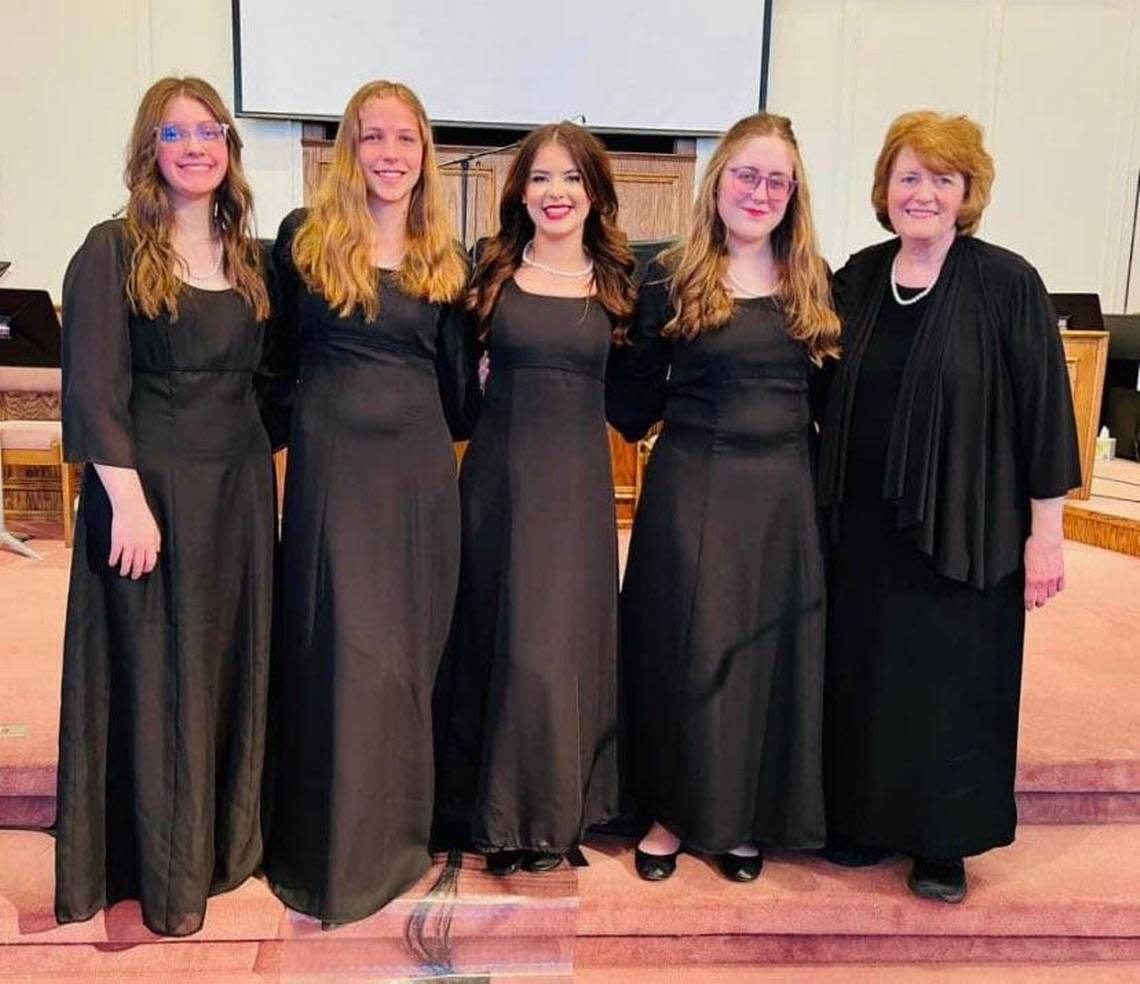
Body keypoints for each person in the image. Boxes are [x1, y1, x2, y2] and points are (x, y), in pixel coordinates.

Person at [817, 111, 1081, 903]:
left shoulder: (1007, 282)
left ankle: (942, 841)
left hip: (968, 530)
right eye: (908, 176)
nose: (922, 193)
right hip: (862, 529)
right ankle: (861, 818)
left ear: (968, 192)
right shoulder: (857, 279)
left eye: (941, 178)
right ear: (884, 189)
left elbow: (1046, 416)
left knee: (953, 685)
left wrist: (1047, 536)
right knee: (863, 674)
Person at [55, 77, 275, 936]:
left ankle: (221, 848)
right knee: (158, 676)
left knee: (226, 667)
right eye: (175, 133)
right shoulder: (110, 248)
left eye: (208, 130)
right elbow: (95, 389)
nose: (194, 146)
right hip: (150, 491)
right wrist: (127, 502)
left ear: (228, 145)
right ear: (150, 148)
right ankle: (160, 871)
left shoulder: (247, 257)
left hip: (239, 494)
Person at [607, 113, 838, 883]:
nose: (760, 191)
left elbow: (835, 402)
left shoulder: (814, 280)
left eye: (777, 179)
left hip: (782, 495)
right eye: (747, 173)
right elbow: (632, 403)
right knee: (685, 649)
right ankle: (671, 813)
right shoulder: (668, 276)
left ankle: (740, 816)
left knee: (761, 654)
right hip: (692, 489)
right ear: (719, 181)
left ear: (793, 192)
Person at [260, 80, 470, 926]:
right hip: (335, 470)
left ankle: (398, 837)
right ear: (350, 147)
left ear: (424, 155)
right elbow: (272, 359)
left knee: (407, 653)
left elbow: (458, 386)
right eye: (374, 137)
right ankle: (330, 848)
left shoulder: (444, 255)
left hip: (419, 475)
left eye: (406, 140)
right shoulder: (304, 241)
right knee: (339, 645)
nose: (390, 154)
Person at [432, 121, 636, 875]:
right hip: (495, 485)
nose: (556, 193)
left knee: (556, 648)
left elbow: (639, 393)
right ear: (520, 190)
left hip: (577, 495)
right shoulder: (488, 276)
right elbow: (454, 383)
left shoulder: (619, 286)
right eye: (542, 178)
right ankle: (485, 814)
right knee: (495, 637)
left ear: (595, 193)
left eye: (572, 179)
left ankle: (548, 818)